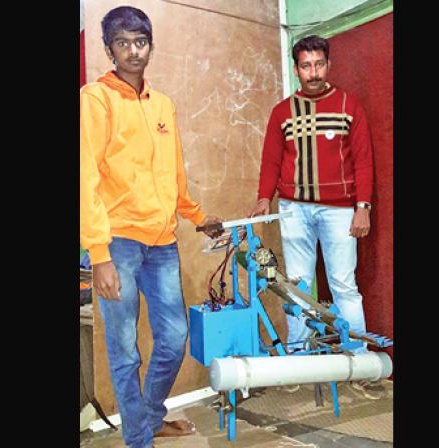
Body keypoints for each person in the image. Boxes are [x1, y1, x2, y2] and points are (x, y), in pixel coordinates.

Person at [80, 6, 221, 447]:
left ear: (150, 45)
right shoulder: (94, 100)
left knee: (174, 338)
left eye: (140, 42)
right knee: (124, 352)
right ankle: (138, 439)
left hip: (162, 243)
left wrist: (197, 216)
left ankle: (149, 416)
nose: (133, 51)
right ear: (109, 50)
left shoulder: (162, 105)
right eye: (123, 43)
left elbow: (173, 172)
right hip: (116, 242)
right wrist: (98, 254)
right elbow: (84, 178)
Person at [249, 35, 383, 399]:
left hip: (341, 211)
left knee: (343, 285)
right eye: (306, 65)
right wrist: (264, 198)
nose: (313, 72)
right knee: (296, 286)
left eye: (319, 64)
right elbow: (271, 160)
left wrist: (363, 207)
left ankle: (358, 361)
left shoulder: (348, 106)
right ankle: (298, 360)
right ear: (296, 70)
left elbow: (364, 161)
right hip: (294, 209)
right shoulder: (282, 112)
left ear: (329, 65)